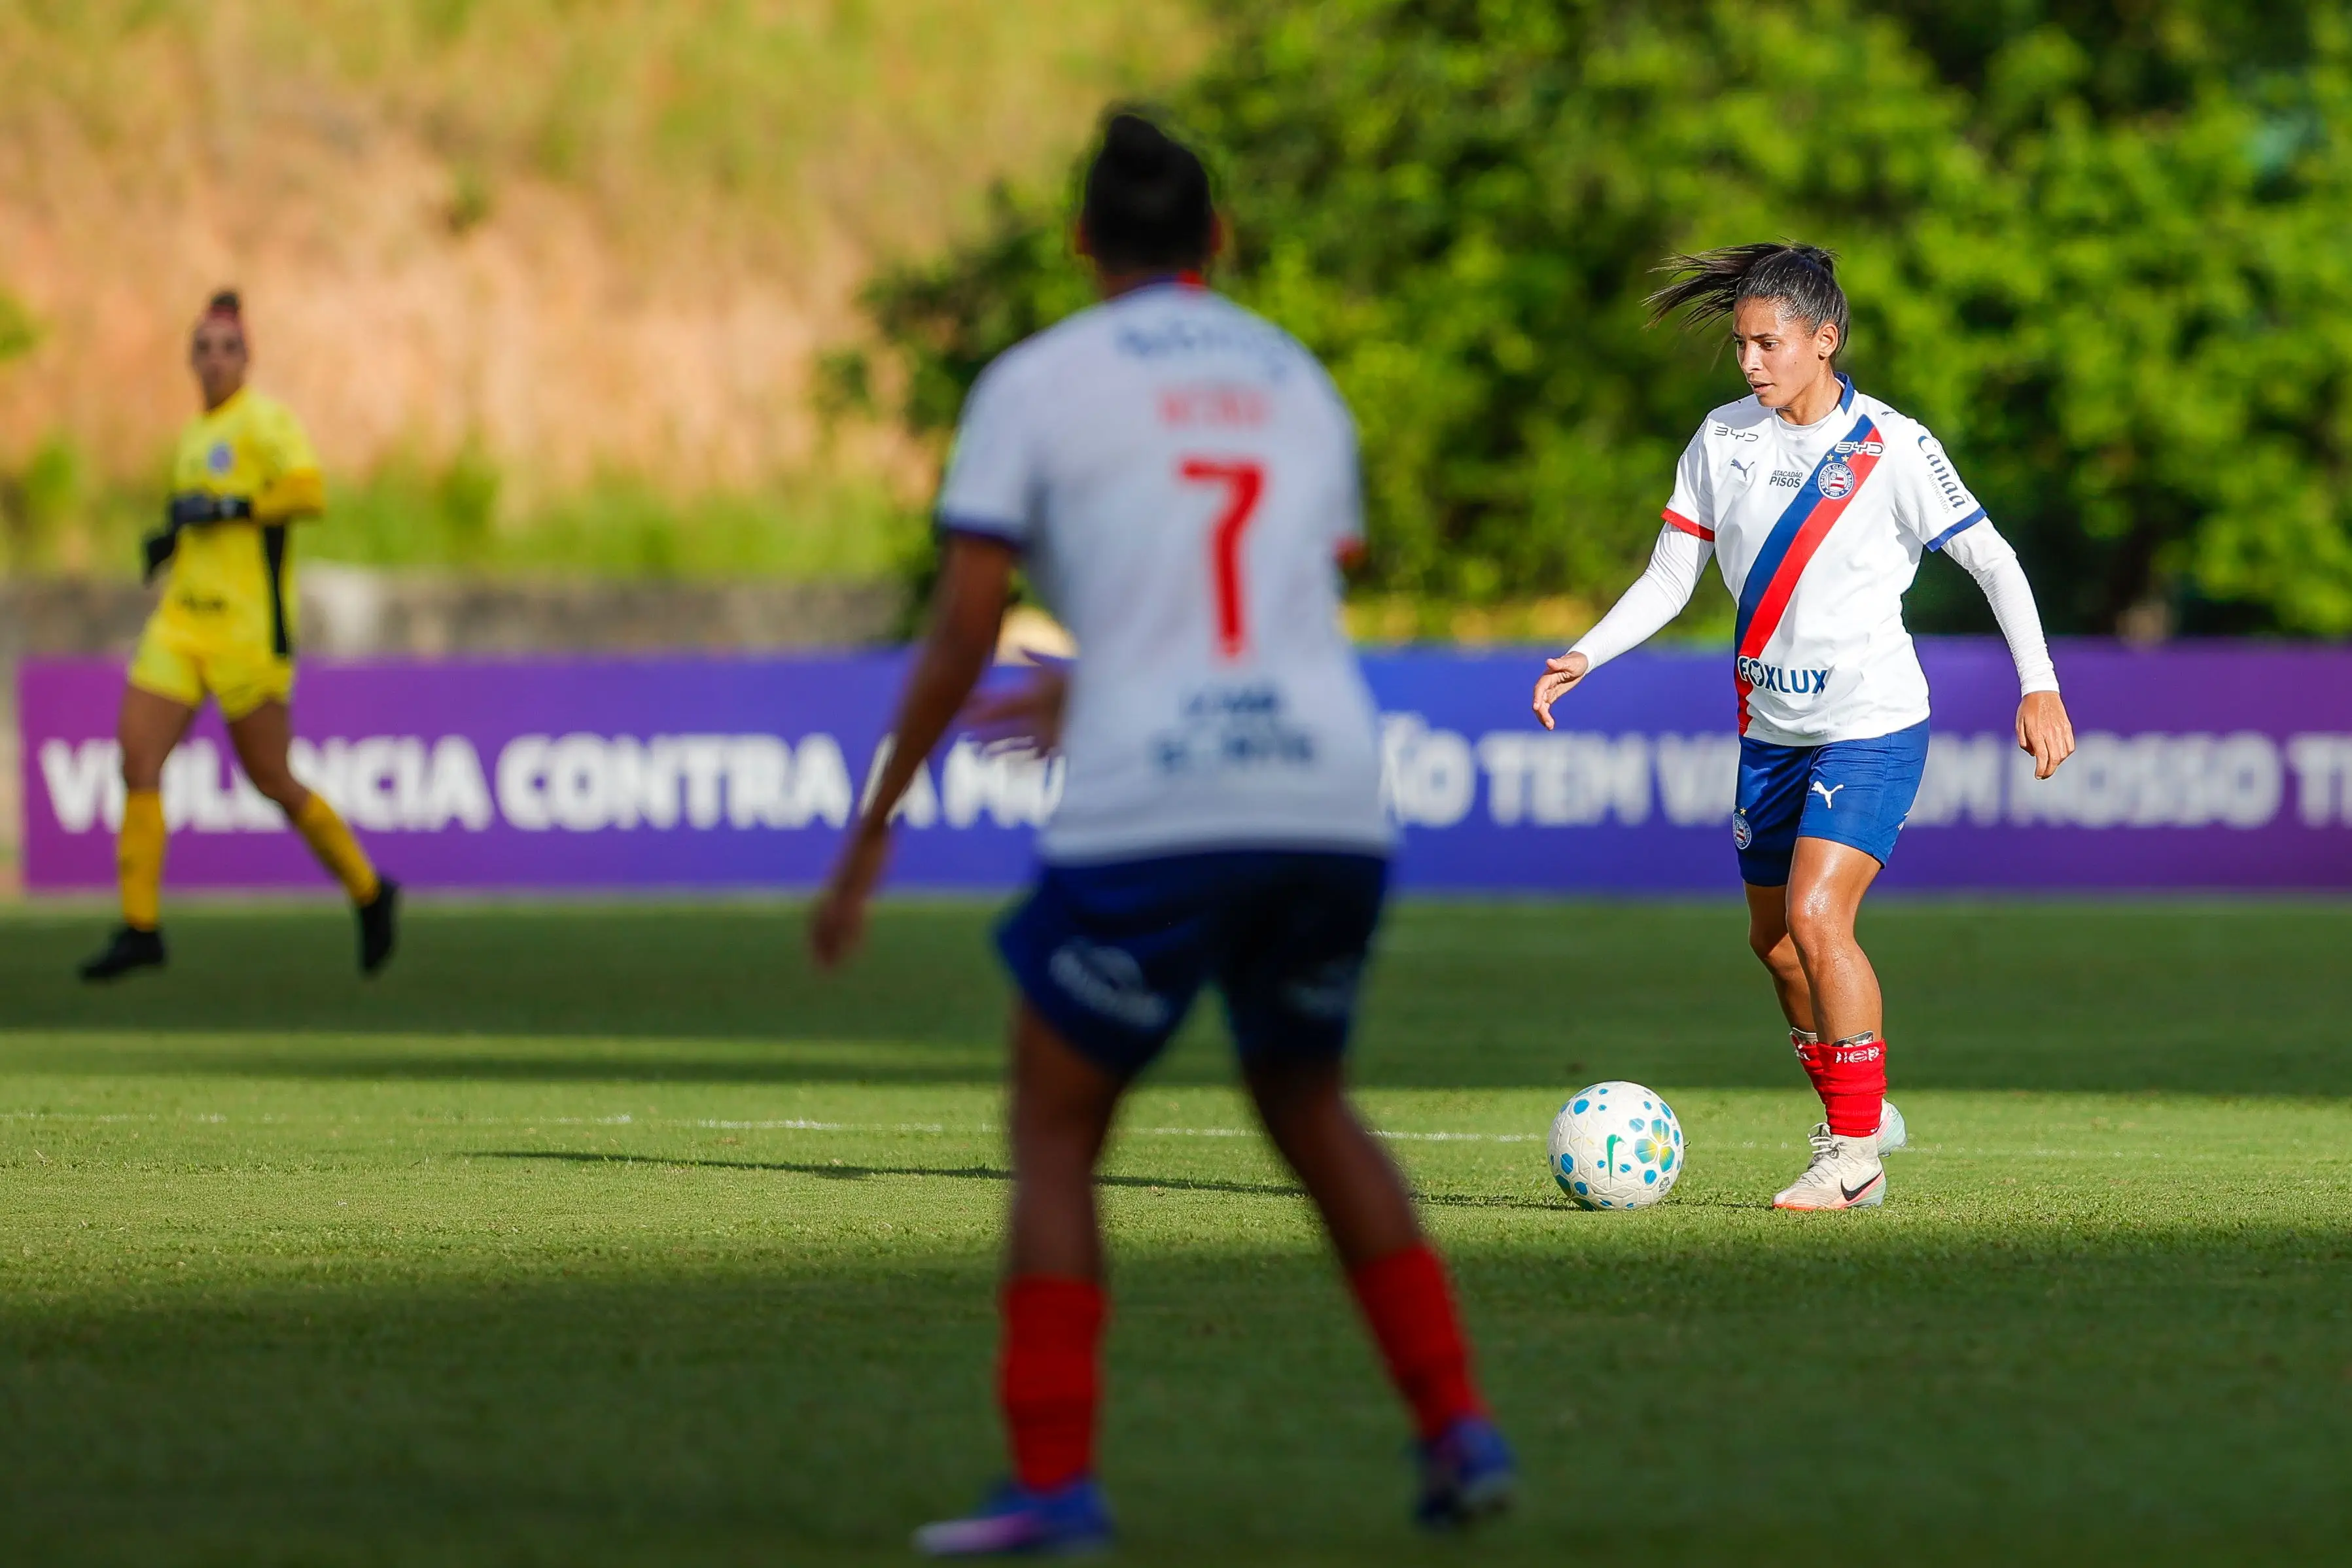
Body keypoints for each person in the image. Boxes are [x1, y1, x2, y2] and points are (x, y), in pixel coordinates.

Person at [811, 112, 1514, 1555]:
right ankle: (1457, 1427)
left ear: (1081, 240)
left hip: (1159, 805)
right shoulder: (1295, 379)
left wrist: (874, 827)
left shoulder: (1033, 382)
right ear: (1219, 239)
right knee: (1309, 1104)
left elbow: (963, 623)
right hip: (1327, 794)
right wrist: (1118, 667)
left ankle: (1054, 1485)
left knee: (1058, 1127)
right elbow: (1283, 584)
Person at [1532, 243, 2075, 1211]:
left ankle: (1850, 1154)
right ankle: (1862, 1112)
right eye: (1739, 344)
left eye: (1767, 343)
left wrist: (2037, 685)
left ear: (1822, 342)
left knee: (1820, 918)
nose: (1749, 362)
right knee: (1774, 943)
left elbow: (1992, 561)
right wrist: (1587, 651)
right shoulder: (1720, 439)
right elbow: (1670, 575)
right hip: (1769, 730)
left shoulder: (1891, 448)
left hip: (1870, 722)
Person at [79, 290, 398, 981]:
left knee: (272, 779)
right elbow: (205, 522)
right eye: (203, 348)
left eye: (228, 348)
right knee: (137, 760)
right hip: (181, 622)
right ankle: (141, 928)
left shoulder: (266, 422)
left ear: (248, 358)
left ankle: (370, 893)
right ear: (190, 360)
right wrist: (171, 537)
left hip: (247, 633)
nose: (215, 360)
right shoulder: (194, 435)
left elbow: (309, 492)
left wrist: (232, 504)